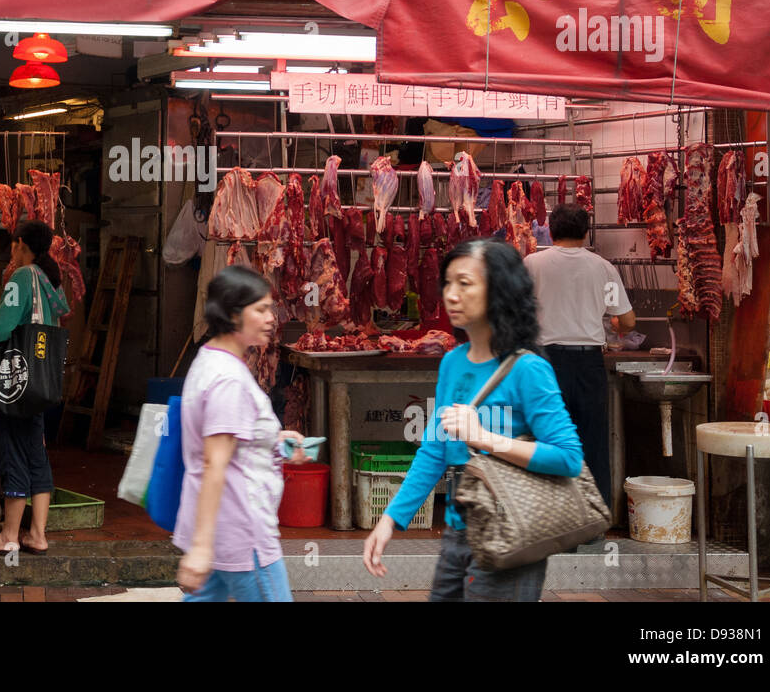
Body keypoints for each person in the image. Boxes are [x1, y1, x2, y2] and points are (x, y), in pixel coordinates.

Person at [362, 239, 584, 602]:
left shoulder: (528, 369)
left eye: (465, 283)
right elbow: (434, 450)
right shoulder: (453, 362)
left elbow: (568, 458)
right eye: (448, 283)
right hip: (457, 532)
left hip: (508, 532)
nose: (451, 294)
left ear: (499, 289)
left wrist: (483, 438)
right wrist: (389, 520)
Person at [173, 265, 307, 602]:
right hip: (243, 533)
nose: (270, 318)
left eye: (270, 309)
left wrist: (273, 441)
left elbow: (228, 442)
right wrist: (201, 550)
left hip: (220, 528)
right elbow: (214, 464)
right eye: (260, 309)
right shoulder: (228, 379)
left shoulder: (210, 360)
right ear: (234, 314)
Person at [523, 203, 635, 508]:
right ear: (586, 233)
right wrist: (609, 320)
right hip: (588, 364)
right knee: (592, 440)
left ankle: (549, 516)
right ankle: (594, 518)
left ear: (551, 229)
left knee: (545, 438)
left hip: (544, 363)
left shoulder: (532, 264)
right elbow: (627, 321)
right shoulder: (603, 268)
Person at [0, 220, 70, 558]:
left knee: (13, 449)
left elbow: (2, 329)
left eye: (13, 245)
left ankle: (8, 535)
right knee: (36, 453)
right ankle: (37, 534)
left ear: (20, 244)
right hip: (43, 379)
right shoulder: (50, 280)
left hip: (18, 378)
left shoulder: (23, 276)